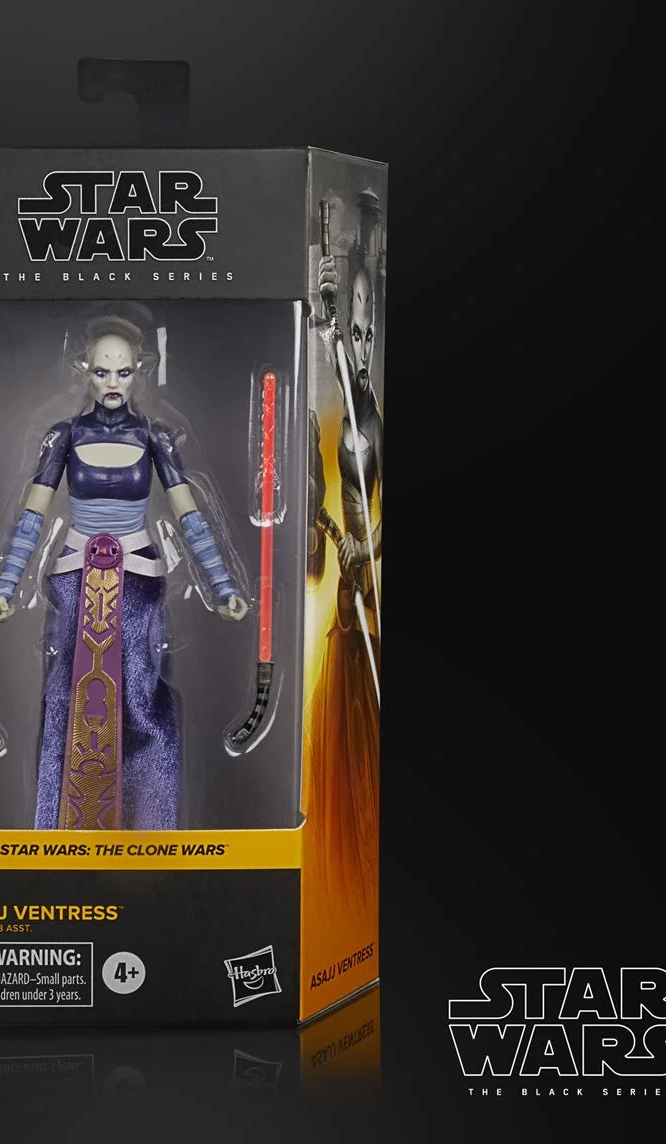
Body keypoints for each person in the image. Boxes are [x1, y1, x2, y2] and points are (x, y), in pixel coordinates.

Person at [0, 312, 246, 830]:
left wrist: (221, 585)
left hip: (138, 580)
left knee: (141, 694)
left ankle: (149, 823)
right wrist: (7, 583)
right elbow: (32, 516)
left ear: (137, 372)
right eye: (102, 371)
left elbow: (189, 516)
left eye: (122, 372)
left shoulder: (155, 437)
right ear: (84, 370)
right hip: (73, 579)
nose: (112, 382)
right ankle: (62, 825)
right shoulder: (63, 436)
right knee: (66, 694)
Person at [309, 257, 383, 911]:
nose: (359, 347)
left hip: (367, 586)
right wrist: (327, 311)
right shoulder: (351, 394)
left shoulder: (373, 411)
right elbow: (336, 357)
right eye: (353, 334)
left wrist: (367, 544)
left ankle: (362, 877)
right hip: (348, 580)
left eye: (365, 333)